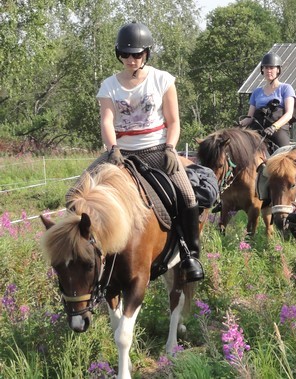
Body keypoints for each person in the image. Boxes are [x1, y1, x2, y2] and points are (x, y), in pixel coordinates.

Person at [68, 21, 203, 282]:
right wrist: (113, 149)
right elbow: (107, 121)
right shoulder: (109, 85)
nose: (131, 59)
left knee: (187, 196)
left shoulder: (162, 79)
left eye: (137, 54)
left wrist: (171, 148)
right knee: (73, 196)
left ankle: (191, 255)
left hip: (156, 148)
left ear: (146, 54)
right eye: (125, 54)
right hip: (121, 153)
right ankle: (80, 256)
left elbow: (173, 121)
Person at [239, 53, 296, 149]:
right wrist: (239, 125)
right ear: (262, 69)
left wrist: (274, 127)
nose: (268, 71)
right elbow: (250, 117)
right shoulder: (256, 92)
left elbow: (289, 114)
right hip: (257, 130)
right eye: (266, 68)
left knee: (284, 153)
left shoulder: (286, 88)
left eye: (271, 68)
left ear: (278, 69)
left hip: (278, 130)